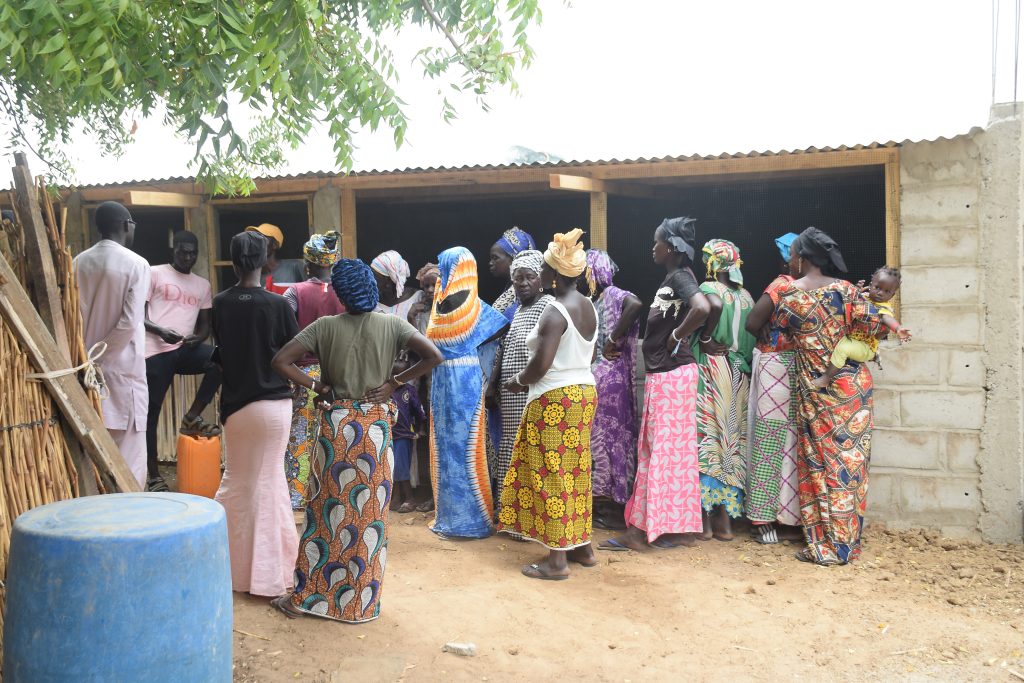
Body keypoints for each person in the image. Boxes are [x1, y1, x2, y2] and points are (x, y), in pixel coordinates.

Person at [269, 258, 442, 621]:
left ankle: (309, 598)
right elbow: (433, 356)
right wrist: (394, 383)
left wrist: (318, 386)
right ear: (370, 288)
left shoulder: (324, 327)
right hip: (375, 428)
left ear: (340, 294)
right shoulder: (392, 324)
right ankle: (359, 605)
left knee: (324, 513)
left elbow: (281, 361)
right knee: (368, 517)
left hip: (337, 427)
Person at [754, 226, 883, 565]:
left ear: (802, 258)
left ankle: (827, 546)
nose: (790, 261)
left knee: (819, 466)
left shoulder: (789, 295)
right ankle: (846, 543)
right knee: (851, 466)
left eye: (793, 255)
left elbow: (776, 331)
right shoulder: (848, 290)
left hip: (817, 390)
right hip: (853, 388)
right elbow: (874, 327)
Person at [600, 217, 711, 552]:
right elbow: (709, 306)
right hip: (671, 375)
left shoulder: (679, 277)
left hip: (670, 376)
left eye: (657, 242)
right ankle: (676, 529)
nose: (653, 248)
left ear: (672, 247)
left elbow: (705, 306)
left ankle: (639, 533)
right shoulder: (677, 276)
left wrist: (677, 335)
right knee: (671, 455)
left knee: (657, 453)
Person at [497, 229, 598, 579]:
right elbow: (589, 354)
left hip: (554, 397)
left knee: (551, 474)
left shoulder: (554, 312)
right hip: (583, 393)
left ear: (553, 274)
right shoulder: (588, 306)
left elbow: (541, 365)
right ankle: (583, 548)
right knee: (576, 470)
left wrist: (517, 381)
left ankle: (557, 561)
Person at [212, 232, 300, 597]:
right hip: (274, 406)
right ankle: (272, 575)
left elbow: (219, 358)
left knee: (238, 484)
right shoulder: (278, 305)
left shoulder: (220, 303)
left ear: (233, 262)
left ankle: (228, 570)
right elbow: (296, 353)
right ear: (266, 261)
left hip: (237, 409)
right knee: (271, 484)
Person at [426, 246, 509, 539]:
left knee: (464, 447)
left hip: (461, 379)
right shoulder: (443, 301)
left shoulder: (470, 305)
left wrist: (471, 345)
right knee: (445, 447)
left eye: (444, 265)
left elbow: (501, 326)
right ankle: (451, 516)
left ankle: (471, 519)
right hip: (445, 379)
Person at [74, 201, 151, 487]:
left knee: (93, 453)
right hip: (121, 372)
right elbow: (130, 323)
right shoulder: (136, 264)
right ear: (126, 225)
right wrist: (98, 361)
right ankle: (129, 513)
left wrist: (87, 361)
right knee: (129, 459)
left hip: (83, 372)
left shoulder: (78, 262)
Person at [143, 230, 222, 493]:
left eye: (192, 253)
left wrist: (198, 339)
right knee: (151, 414)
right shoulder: (154, 273)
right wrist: (160, 331)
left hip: (185, 350)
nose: (187, 257)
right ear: (173, 250)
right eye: (182, 252)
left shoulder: (202, 285)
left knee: (221, 359)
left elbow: (205, 326)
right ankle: (154, 476)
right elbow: (137, 315)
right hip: (155, 351)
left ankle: (192, 416)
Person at [691, 239, 756, 541]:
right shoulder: (747, 296)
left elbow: (710, 310)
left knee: (707, 436)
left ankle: (704, 519)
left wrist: (704, 338)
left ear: (712, 263)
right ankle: (726, 521)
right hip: (739, 371)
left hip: (713, 369)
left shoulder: (708, 290)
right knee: (732, 442)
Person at [743, 232, 802, 544]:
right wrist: (769, 331)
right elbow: (752, 322)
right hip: (775, 366)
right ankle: (762, 519)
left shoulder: (810, 286)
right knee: (769, 440)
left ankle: (789, 517)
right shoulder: (780, 284)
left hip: (796, 368)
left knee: (793, 442)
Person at [281, 232, 346, 509]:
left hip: (304, 375)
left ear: (307, 265)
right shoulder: (346, 292)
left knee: (300, 436)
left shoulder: (293, 293)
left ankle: (297, 496)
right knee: (334, 435)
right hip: (339, 374)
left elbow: (285, 335)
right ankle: (330, 494)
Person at [584, 249, 643, 529]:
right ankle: (605, 503)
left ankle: (615, 506)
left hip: (611, 380)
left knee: (612, 441)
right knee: (603, 441)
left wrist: (613, 338)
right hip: (603, 379)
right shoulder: (594, 300)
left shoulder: (614, 294)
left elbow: (636, 304)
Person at [487, 249, 553, 497]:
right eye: (518, 278)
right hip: (510, 392)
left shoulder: (548, 307)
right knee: (511, 445)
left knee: (531, 448)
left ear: (540, 279)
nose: (523, 283)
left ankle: (528, 507)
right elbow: (504, 348)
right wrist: (493, 385)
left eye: (529, 277)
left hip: (532, 390)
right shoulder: (517, 311)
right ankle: (509, 506)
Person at [811, 266, 912, 389]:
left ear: (892, 295)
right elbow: (850, 302)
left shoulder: (883, 308)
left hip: (865, 347)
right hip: (851, 338)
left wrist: (897, 328)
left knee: (843, 348)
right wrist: (856, 290)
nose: (880, 293)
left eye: (887, 291)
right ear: (871, 285)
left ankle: (826, 378)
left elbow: (887, 318)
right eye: (877, 288)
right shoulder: (864, 297)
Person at [390, 356, 427, 513]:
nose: (397, 378)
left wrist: (420, 429)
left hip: (403, 434)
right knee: (392, 467)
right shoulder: (386, 390)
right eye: (394, 375)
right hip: (388, 434)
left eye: (401, 375)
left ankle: (410, 499)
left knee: (401, 468)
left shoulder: (409, 391)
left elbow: (419, 411)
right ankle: (396, 498)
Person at [489, 226, 538, 321]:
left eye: (495, 258)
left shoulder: (524, 294)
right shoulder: (509, 290)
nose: (490, 263)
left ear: (513, 259)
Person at [245, 223, 305, 292]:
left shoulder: (294, 267)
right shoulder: (251, 275)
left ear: (275, 245)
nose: (256, 243)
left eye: (261, 239)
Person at [372, 250, 419, 319]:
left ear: (389, 281)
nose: (371, 279)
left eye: (376, 276)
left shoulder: (417, 298)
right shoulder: (371, 302)